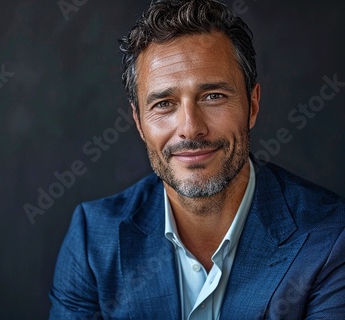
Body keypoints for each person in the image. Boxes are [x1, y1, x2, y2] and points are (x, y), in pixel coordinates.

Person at [49, 0, 345, 319]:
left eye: (213, 96)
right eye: (164, 103)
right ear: (138, 121)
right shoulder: (93, 239)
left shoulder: (330, 238)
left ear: (253, 105)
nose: (191, 128)